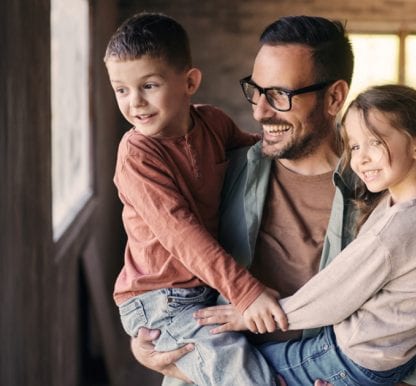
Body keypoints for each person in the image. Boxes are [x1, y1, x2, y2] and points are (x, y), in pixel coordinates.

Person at [131, 15, 416, 386]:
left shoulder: (383, 190)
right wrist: (149, 345)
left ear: (334, 97)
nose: (259, 110)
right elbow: (163, 268)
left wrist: (403, 384)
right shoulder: (223, 168)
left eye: (278, 95)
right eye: (255, 91)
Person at [196, 84, 416, 386]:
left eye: (375, 143)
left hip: (352, 359)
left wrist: (249, 316)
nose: (360, 159)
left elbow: (333, 296)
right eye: (354, 146)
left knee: (231, 367)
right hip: (383, 359)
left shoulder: (396, 230)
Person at [104, 12, 288, 386]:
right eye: (121, 90)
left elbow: (255, 153)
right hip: (158, 299)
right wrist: (246, 292)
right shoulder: (137, 155)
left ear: (190, 82)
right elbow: (181, 234)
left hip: (203, 288)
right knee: (235, 368)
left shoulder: (213, 123)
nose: (134, 103)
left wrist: (286, 141)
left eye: (149, 86)